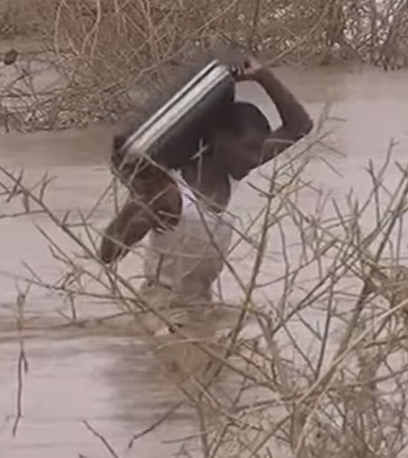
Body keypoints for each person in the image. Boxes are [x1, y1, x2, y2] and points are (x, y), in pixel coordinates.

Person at [98, 54, 313, 328]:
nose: (255, 158)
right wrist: (139, 199)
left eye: (258, 149)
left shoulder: (232, 175)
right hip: (162, 310)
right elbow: (108, 254)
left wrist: (264, 77)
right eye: (248, 148)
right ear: (218, 139)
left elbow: (299, 127)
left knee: (263, 324)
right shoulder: (169, 194)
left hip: (200, 307)